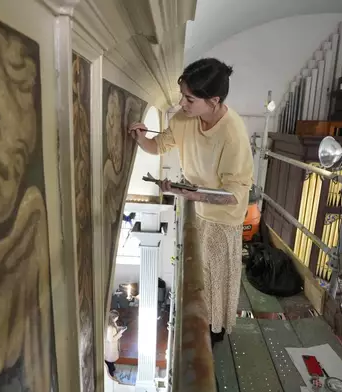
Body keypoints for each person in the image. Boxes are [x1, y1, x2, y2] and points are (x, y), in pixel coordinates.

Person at [127, 58, 253, 345]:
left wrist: (188, 193)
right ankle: (197, 328)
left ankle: (214, 335)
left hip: (224, 218)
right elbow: (158, 146)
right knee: (197, 277)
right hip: (196, 208)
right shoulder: (184, 119)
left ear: (214, 101)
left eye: (190, 98)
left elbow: (233, 193)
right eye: (182, 95)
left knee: (215, 281)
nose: (182, 104)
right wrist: (140, 137)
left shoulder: (233, 134)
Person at [105, 310, 126, 377]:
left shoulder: (112, 323)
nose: (117, 318)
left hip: (113, 346)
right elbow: (111, 339)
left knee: (111, 361)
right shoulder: (109, 327)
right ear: (113, 318)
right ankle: (110, 374)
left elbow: (115, 329)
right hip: (110, 347)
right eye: (117, 317)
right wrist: (120, 333)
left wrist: (120, 328)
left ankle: (112, 368)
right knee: (109, 361)